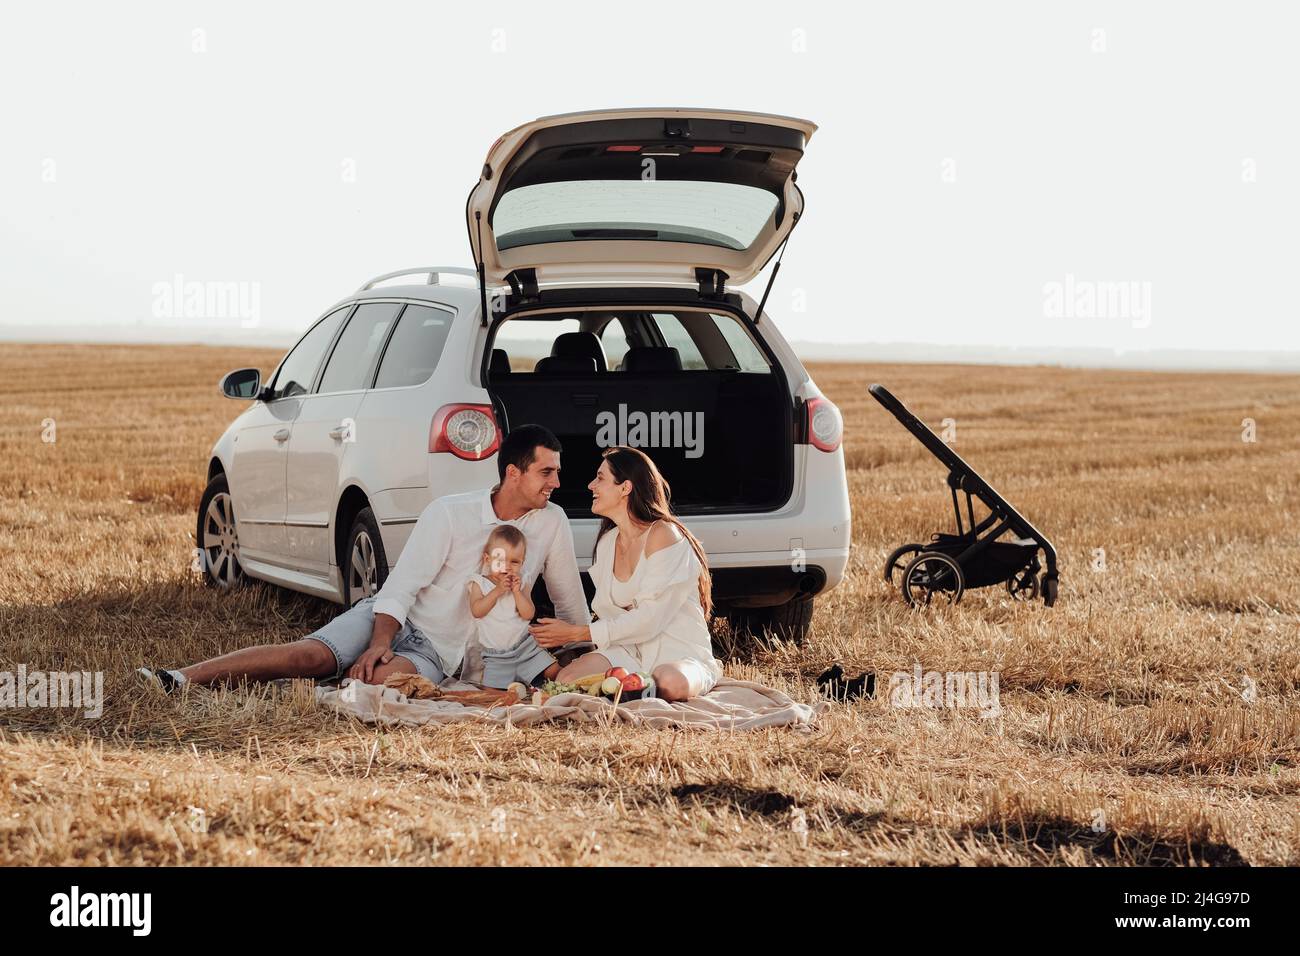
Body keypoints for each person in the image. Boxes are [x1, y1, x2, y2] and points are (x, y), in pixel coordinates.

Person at [139, 425, 590, 692]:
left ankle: (308, 688)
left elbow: (568, 599)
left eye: (557, 472)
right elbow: (402, 585)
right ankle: (178, 678)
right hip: (397, 618)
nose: (556, 481)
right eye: (546, 472)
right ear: (513, 473)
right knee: (307, 658)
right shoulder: (450, 513)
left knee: (377, 683)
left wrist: (583, 656)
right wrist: (380, 641)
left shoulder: (551, 522)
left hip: (438, 652)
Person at [528, 446, 723, 702]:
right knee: (566, 678)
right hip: (627, 651)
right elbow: (612, 611)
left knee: (670, 683)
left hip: (676, 651)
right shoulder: (608, 542)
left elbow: (651, 619)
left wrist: (578, 633)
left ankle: (630, 689)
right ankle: (630, 689)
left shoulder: (663, 534)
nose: (590, 485)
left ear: (625, 488)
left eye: (600, 478)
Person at [467, 524, 560, 690]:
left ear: (522, 563)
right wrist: (498, 591)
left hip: (525, 648)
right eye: (500, 560)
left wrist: (517, 593)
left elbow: (528, 614)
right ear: (487, 560)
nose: (507, 566)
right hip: (497, 656)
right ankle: (519, 692)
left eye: (515, 562)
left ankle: (543, 688)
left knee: (555, 672)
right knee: (490, 693)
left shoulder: (521, 582)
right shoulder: (479, 583)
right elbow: (477, 611)